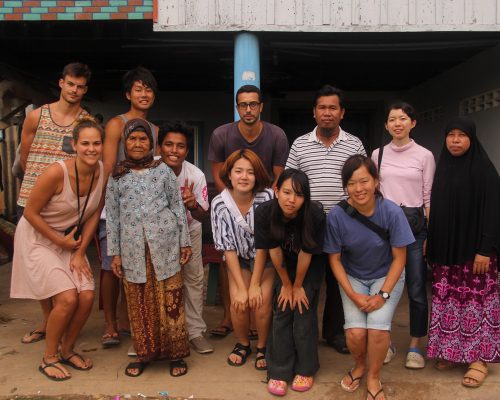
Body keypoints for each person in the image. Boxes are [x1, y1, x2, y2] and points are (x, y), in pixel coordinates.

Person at [10, 117, 104, 381]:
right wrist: (60, 241)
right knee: (67, 297)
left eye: (96, 143)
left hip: (68, 242)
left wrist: (78, 251)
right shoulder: (56, 172)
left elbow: (94, 212)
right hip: (38, 238)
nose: (91, 149)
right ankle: (48, 357)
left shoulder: (102, 171)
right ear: (74, 144)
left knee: (86, 295)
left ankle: (67, 349)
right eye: (85, 143)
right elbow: (29, 212)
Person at [106, 119, 192, 378]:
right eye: (132, 138)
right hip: (133, 250)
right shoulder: (117, 175)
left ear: (151, 143)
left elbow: (177, 207)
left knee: (171, 301)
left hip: (165, 247)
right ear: (124, 142)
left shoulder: (163, 170)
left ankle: (176, 354)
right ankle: (144, 353)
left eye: (143, 139)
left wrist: (184, 241)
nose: (137, 143)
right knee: (139, 303)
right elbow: (112, 215)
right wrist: (116, 253)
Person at [324, 155, 414, 400]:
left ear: (376, 181)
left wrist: (382, 294)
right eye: (351, 183)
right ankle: (360, 366)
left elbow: (400, 259)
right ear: (345, 187)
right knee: (355, 333)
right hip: (353, 276)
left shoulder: (392, 212)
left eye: (364, 181)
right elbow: (334, 259)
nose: (358, 188)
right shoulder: (336, 216)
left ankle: (373, 377)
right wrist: (352, 294)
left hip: (387, 276)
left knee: (376, 330)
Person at [286, 84, 366, 353]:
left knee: (339, 283)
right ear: (314, 112)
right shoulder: (300, 144)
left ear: (342, 113)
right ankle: (303, 336)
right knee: (308, 282)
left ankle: (335, 334)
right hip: (308, 224)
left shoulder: (354, 144)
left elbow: (362, 183)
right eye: (322, 107)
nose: (327, 113)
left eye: (333, 108)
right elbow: (289, 183)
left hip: (343, 224)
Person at [17, 62, 91, 345]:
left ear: (86, 89)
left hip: (66, 208)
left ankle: (58, 318)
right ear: (61, 83)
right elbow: (25, 157)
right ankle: (48, 320)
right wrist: (41, 187)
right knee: (39, 267)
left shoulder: (85, 123)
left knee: (58, 264)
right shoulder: (37, 116)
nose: (75, 90)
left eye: (81, 86)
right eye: (71, 84)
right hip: (34, 204)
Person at [208, 84, 289, 338]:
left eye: (253, 104)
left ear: (261, 106)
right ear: (237, 107)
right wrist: (234, 198)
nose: (248, 109)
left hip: (263, 203)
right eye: (243, 104)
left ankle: (259, 332)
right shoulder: (222, 134)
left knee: (261, 298)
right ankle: (229, 319)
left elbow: (279, 177)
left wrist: (259, 198)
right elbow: (220, 174)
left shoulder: (276, 135)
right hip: (233, 202)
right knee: (231, 268)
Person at [426, 116, 500, 388]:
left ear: (472, 138)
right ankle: (452, 352)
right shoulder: (443, 167)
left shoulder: (484, 169)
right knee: (449, 302)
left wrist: (485, 249)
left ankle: (478, 359)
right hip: (447, 252)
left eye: (462, 135)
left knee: (474, 305)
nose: (455, 140)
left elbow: (494, 211)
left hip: (475, 255)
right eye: (451, 135)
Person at [371, 102, 436, 368]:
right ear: (386, 125)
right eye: (392, 119)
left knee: (417, 288)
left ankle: (415, 345)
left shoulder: (425, 155)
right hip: (384, 228)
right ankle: (384, 342)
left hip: (414, 229)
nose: (398, 123)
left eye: (403, 118)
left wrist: (430, 236)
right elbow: (373, 192)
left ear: (413, 123)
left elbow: (428, 197)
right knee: (382, 287)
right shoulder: (378, 154)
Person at [99, 66, 158, 348]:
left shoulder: (155, 130)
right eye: (138, 88)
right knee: (111, 267)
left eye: (148, 89)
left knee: (138, 266)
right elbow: (109, 168)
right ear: (128, 94)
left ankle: (127, 320)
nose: (144, 94)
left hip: (145, 212)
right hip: (117, 207)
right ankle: (110, 324)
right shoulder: (115, 124)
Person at [255, 169, 326, 396]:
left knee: (303, 309)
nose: (291, 200)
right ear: (276, 191)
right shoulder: (265, 212)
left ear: (306, 197)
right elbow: (273, 251)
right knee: (282, 308)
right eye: (286, 192)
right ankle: (279, 369)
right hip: (282, 265)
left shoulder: (314, 214)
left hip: (310, 265)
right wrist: (286, 285)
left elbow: (307, 252)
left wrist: (298, 287)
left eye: (298, 195)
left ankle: (306, 368)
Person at [211, 149, 275, 368]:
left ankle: (262, 346)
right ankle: (242, 343)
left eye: (250, 172)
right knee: (239, 302)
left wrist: (255, 284)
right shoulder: (220, 204)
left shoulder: (267, 197)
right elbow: (227, 248)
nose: (244, 177)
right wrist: (241, 286)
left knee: (261, 302)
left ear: (257, 175)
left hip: (264, 259)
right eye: (238, 171)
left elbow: (264, 244)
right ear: (229, 174)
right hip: (238, 259)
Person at [158, 121, 213, 354]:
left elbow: (203, 216)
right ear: (159, 147)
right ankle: (157, 333)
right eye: (169, 144)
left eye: (180, 146)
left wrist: (192, 205)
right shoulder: (148, 171)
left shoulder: (195, 175)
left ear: (187, 151)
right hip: (157, 236)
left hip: (190, 231)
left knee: (193, 279)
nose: (174, 150)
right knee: (157, 283)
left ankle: (195, 332)